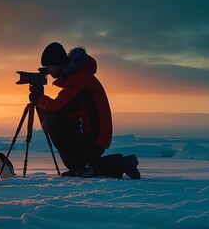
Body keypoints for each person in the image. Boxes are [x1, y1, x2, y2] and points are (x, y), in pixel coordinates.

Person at [30, 42, 140, 179]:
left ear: (58, 63)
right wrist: (41, 102)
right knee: (53, 123)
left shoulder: (79, 80)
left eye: (48, 67)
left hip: (95, 136)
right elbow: (63, 110)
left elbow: (60, 107)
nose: (48, 71)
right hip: (93, 134)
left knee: (53, 123)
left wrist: (39, 99)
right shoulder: (76, 79)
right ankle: (119, 163)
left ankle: (109, 165)